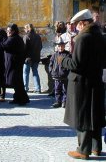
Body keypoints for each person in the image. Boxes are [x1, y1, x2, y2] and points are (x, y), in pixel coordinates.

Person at [58, 9, 106, 160]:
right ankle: (96, 148)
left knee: (83, 116)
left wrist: (62, 59)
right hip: (96, 81)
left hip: (81, 83)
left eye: (77, 24)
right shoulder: (100, 36)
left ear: (82, 23)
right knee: (95, 115)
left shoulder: (83, 37)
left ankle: (83, 150)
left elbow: (75, 64)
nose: (75, 27)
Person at [0, 23, 30, 105]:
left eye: (9, 31)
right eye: (7, 31)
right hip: (14, 63)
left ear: (14, 31)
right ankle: (17, 98)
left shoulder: (14, 38)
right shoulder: (14, 37)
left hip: (15, 64)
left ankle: (23, 99)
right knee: (16, 82)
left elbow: (3, 46)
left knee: (17, 82)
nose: (8, 32)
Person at [49, 38, 71, 108]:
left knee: (65, 90)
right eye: (59, 46)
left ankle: (64, 102)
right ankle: (58, 101)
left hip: (64, 75)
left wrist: (67, 72)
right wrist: (51, 71)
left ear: (64, 46)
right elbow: (51, 64)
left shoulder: (67, 54)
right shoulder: (54, 55)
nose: (60, 47)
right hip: (56, 75)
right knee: (57, 89)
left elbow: (69, 65)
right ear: (57, 47)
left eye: (62, 46)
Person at [23, 23, 42, 93]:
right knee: (35, 72)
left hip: (27, 58)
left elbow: (24, 48)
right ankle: (38, 88)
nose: (24, 30)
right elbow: (41, 47)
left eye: (25, 28)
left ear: (27, 29)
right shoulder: (38, 36)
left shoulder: (26, 36)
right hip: (36, 57)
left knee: (25, 73)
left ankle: (25, 88)